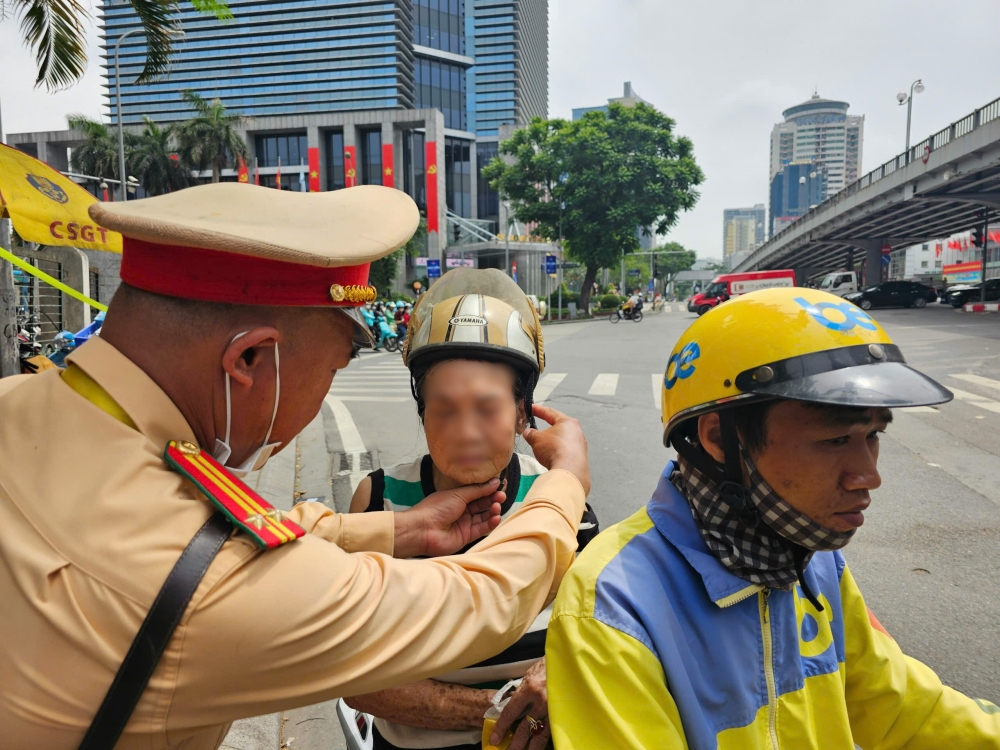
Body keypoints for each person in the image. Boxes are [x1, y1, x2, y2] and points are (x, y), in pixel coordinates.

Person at [0, 183, 591, 749]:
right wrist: (565, 483)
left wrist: (396, 531)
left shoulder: (24, 409)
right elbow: (473, 602)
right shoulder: (198, 582)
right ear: (249, 358)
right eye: (334, 368)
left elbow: (229, 532)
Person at [547, 287, 1000, 749]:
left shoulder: (813, 564)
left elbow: (902, 707)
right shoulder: (614, 605)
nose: (868, 476)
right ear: (718, 440)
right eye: (835, 440)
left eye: (874, 435)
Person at [345, 269, 599, 750]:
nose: (465, 432)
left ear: (523, 413)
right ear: (422, 410)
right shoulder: (378, 499)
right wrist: (504, 709)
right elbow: (356, 678)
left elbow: (590, 631)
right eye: (443, 408)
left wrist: (555, 672)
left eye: (487, 409)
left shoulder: (558, 495)